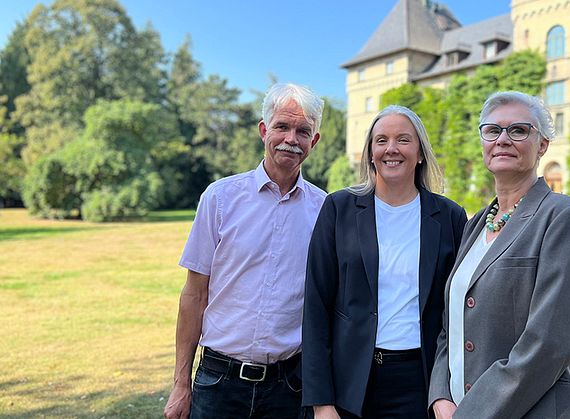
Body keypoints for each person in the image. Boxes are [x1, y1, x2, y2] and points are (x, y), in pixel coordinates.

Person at [428, 91, 570, 419]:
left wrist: (472, 413)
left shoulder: (565, 218)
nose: (503, 139)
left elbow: (550, 344)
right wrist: (440, 395)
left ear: (543, 145)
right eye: (492, 130)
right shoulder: (476, 224)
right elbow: (450, 326)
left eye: (519, 130)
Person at [163, 83, 326, 419]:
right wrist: (181, 383)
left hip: (289, 387)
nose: (291, 139)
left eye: (303, 131)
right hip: (219, 381)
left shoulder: (325, 210)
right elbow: (194, 296)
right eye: (282, 126)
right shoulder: (220, 198)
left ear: (315, 141)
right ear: (264, 130)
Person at [302, 105, 467, 419]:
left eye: (403, 140)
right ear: (370, 153)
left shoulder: (449, 217)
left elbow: (459, 311)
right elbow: (316, 307)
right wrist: (321, 403)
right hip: (350, 387)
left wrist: (447, 390)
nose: (391, 149)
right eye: (381, 140)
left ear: (419, 153)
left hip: (423, 384)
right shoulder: (339, 209)